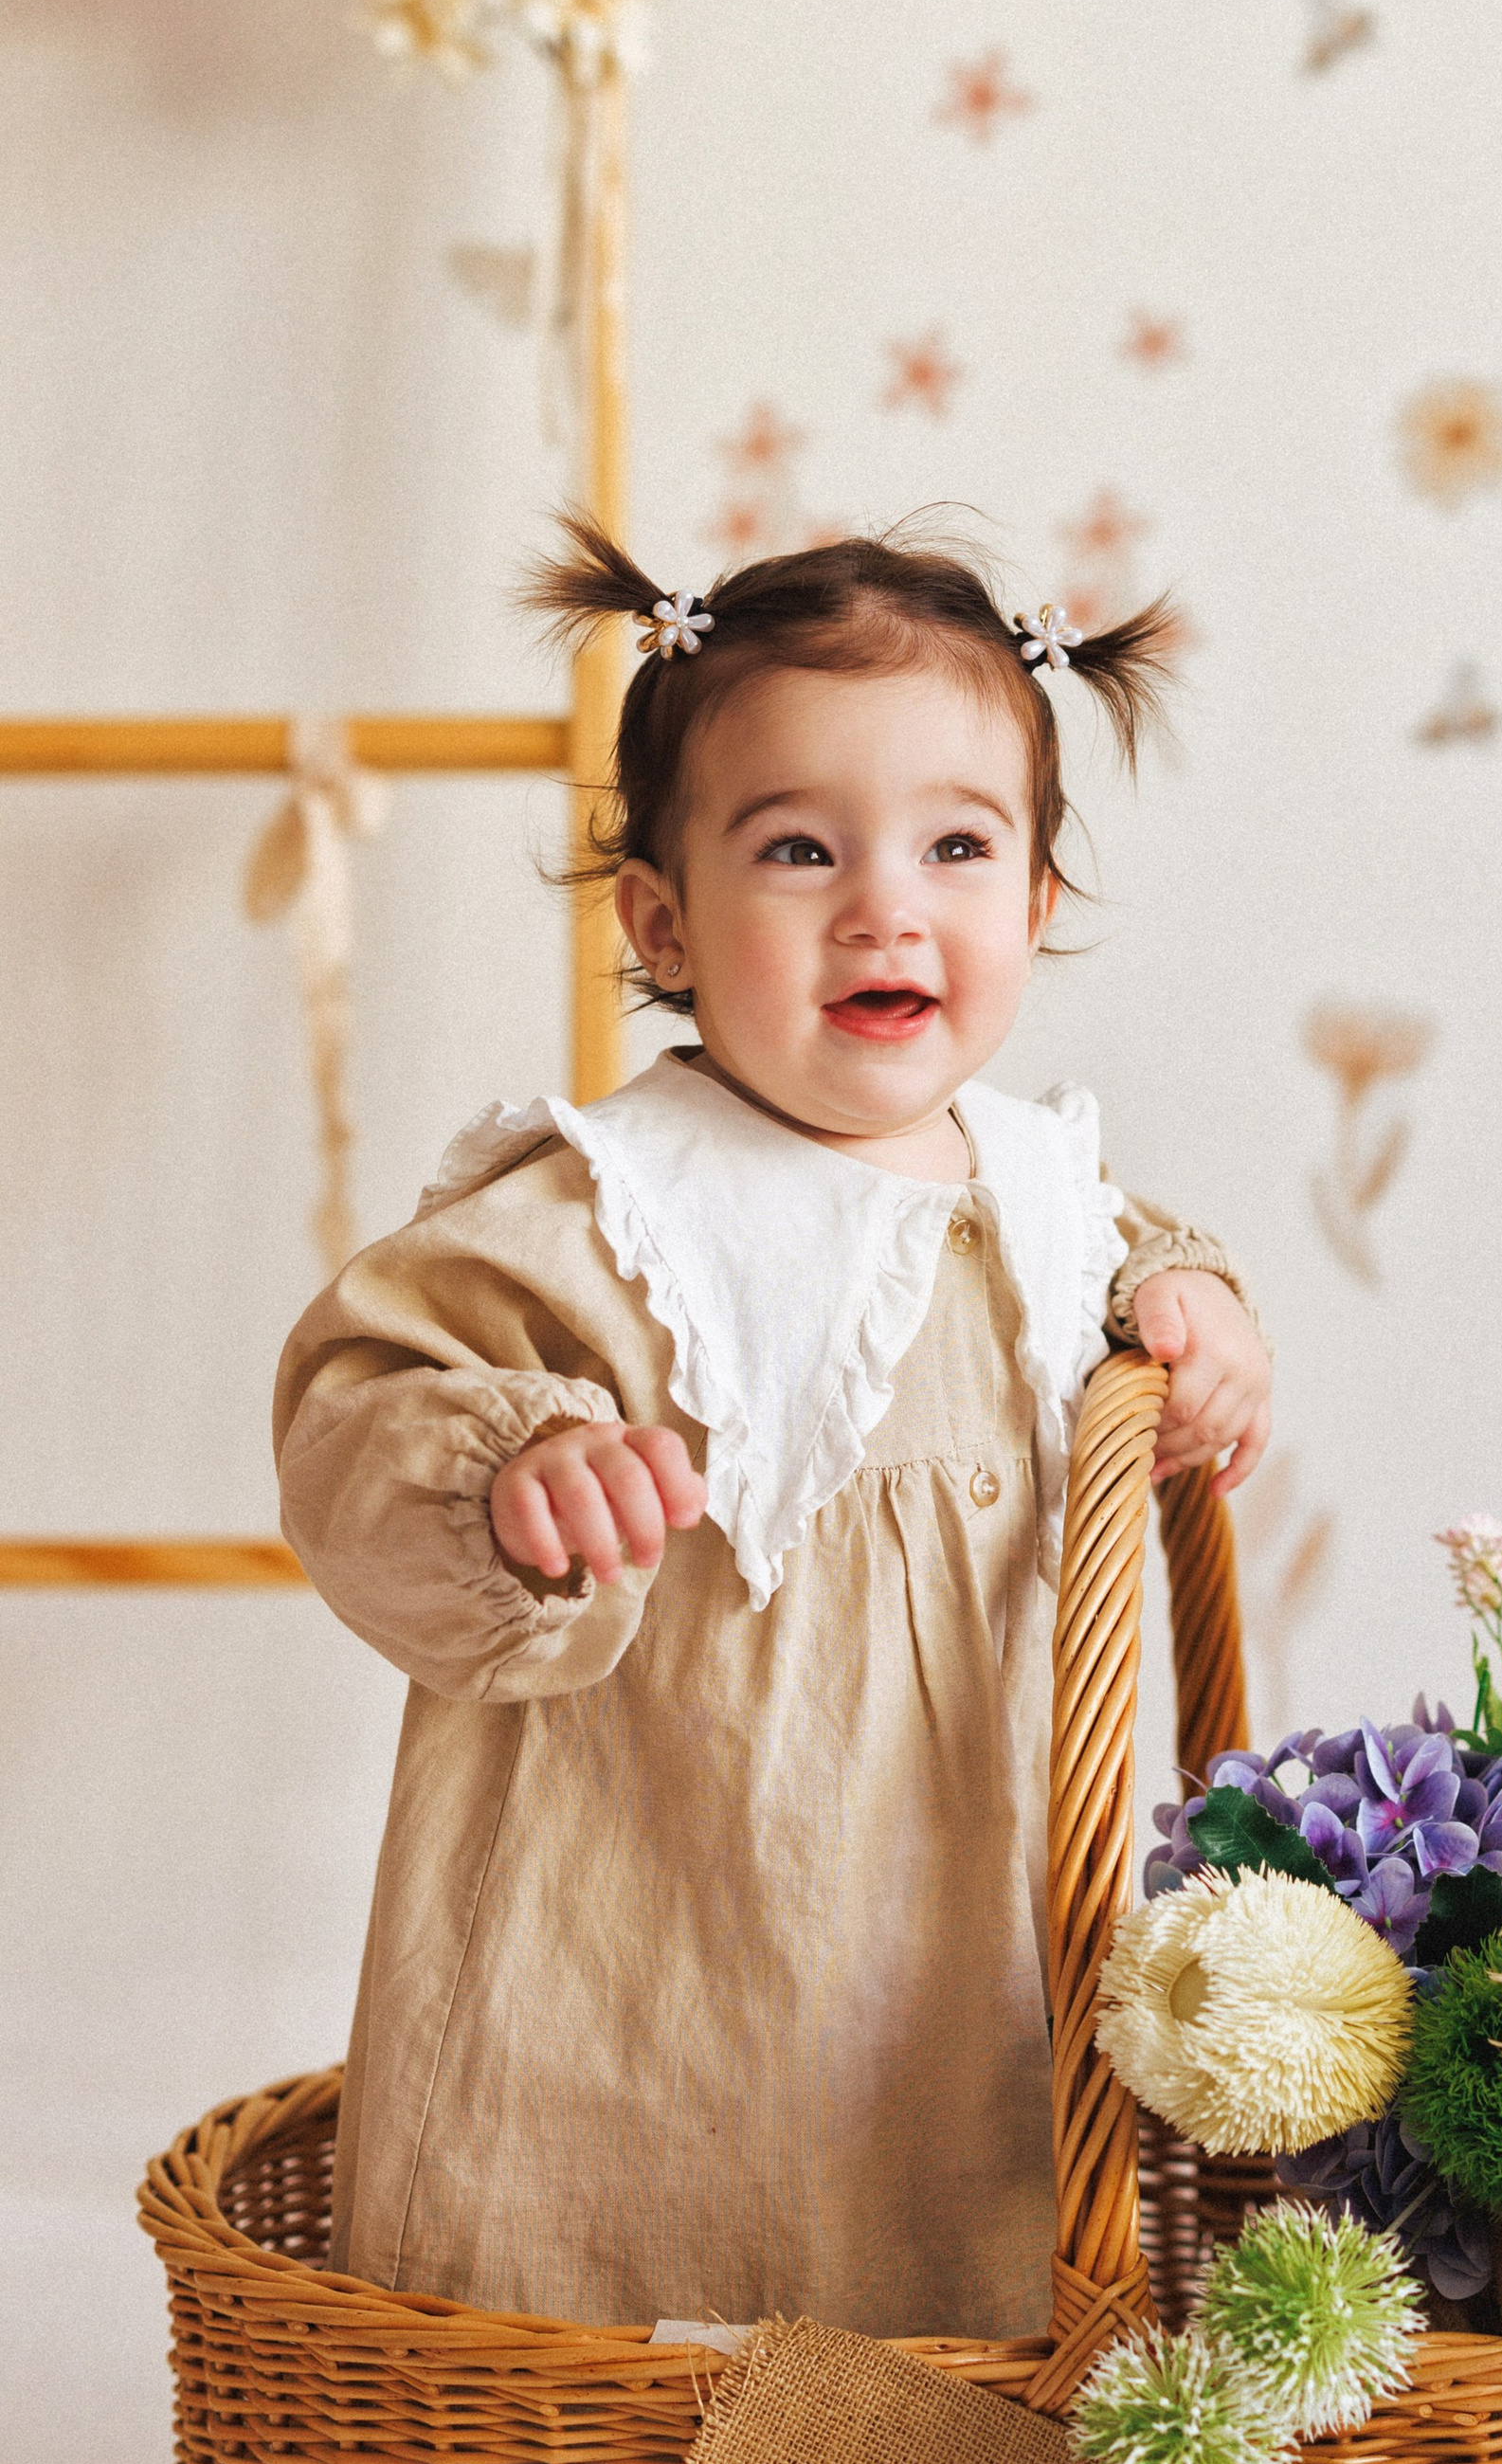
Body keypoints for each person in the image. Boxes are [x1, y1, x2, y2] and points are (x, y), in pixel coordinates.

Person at [273, 523, 1270, 2339]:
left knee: (956, 2334)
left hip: (964, 2004)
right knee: (619, 2331)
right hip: (636, 1989)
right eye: (799, 849)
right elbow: (355, 1408)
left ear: (1036, 902)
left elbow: (1142, 1267)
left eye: (957, 847)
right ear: (659, 918)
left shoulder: (1049, 1187)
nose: (885, 907)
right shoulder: (605, 1209)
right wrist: (511, 1472)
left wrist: (1201, 1318)